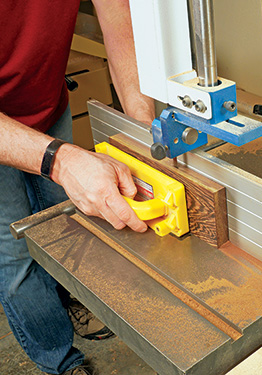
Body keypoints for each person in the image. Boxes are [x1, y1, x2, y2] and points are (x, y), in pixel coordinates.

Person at [0, 1, 155, 374]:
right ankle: (59, 357)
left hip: (46, 103)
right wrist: (62, 161)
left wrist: (142, 125)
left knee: (69, 227)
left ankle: (72, 297)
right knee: (16, 256)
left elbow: (123, 33)